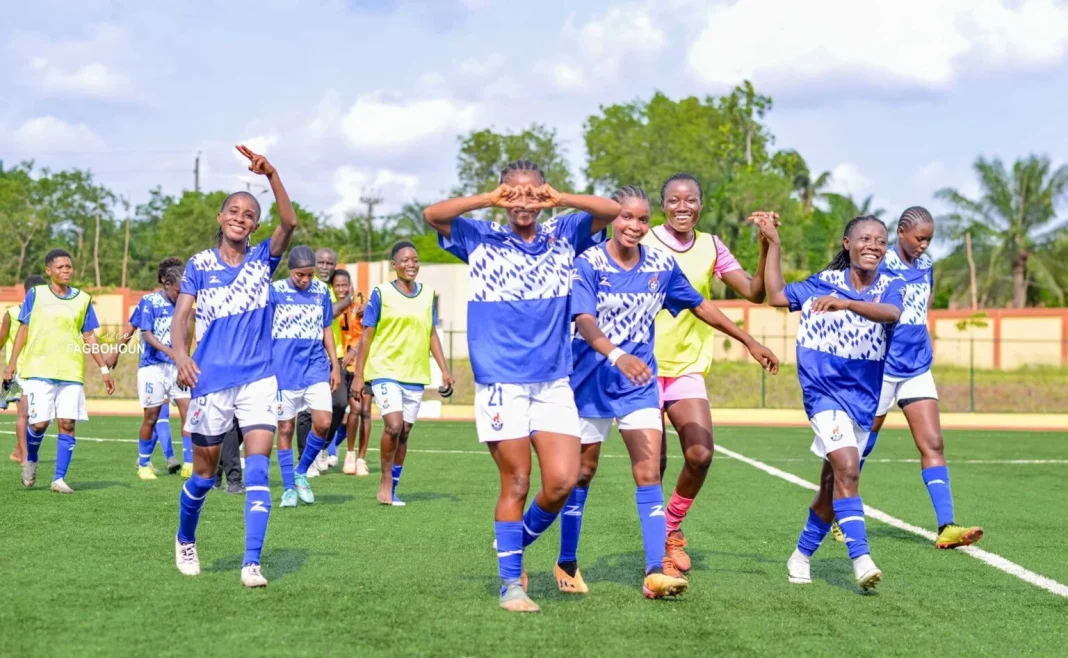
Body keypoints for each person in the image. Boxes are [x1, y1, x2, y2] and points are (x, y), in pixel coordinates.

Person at [562, 186, 779, 598]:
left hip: (647, 378)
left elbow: (704, 303)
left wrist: (749, 340)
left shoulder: (674, 259)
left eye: (640, 220)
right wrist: (615, 354)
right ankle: (566, 560)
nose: (635, 225)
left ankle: (654, 569)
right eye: (627, 217)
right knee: (579, 474)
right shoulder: (589, 261)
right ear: (613, 218)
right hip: (594, 376)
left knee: (658, 469)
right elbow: (584, 320)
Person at [424, 159, 619, 613]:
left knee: (563, 481)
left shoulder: (563, 232)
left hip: (553, 381)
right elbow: (434, 215)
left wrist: (562, 198)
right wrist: (489, 199)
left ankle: (515, 540)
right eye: (513, 193)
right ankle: (512, 583)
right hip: (500, 382)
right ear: (501, 195)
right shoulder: (479, 235)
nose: (523, 201)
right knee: (516, 480)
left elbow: (610, 210)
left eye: (532, 193)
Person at [171, 144, 296, 588]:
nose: (241, 217)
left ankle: (251, 562)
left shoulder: (264, 260)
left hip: (259, 379)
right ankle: (185, 538)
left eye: (249, 214)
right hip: (211, 381)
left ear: (254, 225)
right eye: (234, 211)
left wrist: (272, 174)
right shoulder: (200, 266)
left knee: (259, 466)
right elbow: (181, 316)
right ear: (221, 219)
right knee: (204, 475)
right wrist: (183, 355)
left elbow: (290, 222)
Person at [758, 215, 904, 591]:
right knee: (849, 468)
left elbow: (892, 314)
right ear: (846, 243)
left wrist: (847, 304)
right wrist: (774, 243)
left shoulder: (891, 285)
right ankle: (861, 558)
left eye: (880, 240)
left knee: (831, 486)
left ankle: (801, 555)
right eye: (865, 238)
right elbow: (776, 296)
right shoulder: (822, 284)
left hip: (863, 397)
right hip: (823, 392)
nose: (873, 245)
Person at [640, 172, 774, 573]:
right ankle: (658, 552)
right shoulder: (642, 240)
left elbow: (754, 292)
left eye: (691, 200)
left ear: (701, 204)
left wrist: (765, 247)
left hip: (687, 366)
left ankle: (672, 527)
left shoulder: (711, 246)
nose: (684, 207)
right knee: (655, 464)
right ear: (662, 204)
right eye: (675, 200)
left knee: (699, 455)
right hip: (641, 367)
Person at [851, 207, 981, 549]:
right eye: (919, 238)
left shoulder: (926, 266)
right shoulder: (880, 264)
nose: (924, 245)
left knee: (933, 443)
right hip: (880, 368)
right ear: (901, 233)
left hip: (917, 368)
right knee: (862, 445)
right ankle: (840, 511)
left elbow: (925, 305)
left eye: (929, 239)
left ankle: (947, 527)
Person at [3, 250, 116, 493]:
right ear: (49, 271)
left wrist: (104, 369)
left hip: (71, 372)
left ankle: (59, 479)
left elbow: (89, 336)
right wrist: (11, 364)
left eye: (69, 266)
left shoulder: (83, 299)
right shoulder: (36, 294)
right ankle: (31, 459)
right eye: (60, 267)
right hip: (38, 370)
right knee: (40, 424)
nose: (66, 270)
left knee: (67, 423)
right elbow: (23, 329)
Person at [350, 241, 454, 506]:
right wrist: (359, 375)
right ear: (394, 266)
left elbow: (432, 333)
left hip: (415, 373)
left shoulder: (428, 294)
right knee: (393, 426)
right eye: (405, 260)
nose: (411, 264)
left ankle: (394, 486)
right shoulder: (381, 293)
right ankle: (384, 481)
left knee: (405, 432)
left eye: (415, 260)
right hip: (384, 370)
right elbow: (367, 336)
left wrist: (444, 370)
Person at [270, 246, 340, 508]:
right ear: (291, 271)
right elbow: (264, 332)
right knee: (285, 428)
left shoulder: (321, 291)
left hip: (315, 364)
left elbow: (327, 329)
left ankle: (301, 472)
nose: (305, 280)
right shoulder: (274, 291)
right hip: (283, 368)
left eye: (310, 275)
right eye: (301, 275)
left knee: (323, 422)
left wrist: (334, 365)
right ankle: (289, 487)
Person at [109, 259, 190, 480]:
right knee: (152, 417)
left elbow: (188, 331)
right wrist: (116, 351)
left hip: (177, 367)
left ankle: (189, 463)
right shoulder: (149, 302)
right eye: (177, 291)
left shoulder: (186, 303)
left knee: (189, 413)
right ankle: (144, 462)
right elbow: (139, 331)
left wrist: (185, 359)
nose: (181, 295)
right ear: (166, 283)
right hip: (152, 367)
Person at [1, 274, 48, 464]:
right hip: (18, 371)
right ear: (27, 293)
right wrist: (8, 368)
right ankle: (25, 457)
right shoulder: (11, 314)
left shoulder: (46, 315)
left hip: (40, 370)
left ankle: (17, 450)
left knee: (39, 417)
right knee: (24, 412)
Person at [334, 270, 372, 476]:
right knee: (352, 409)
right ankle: (349, 453)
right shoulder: (330, 302)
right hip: (343, 364)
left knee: (365, 409)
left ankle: (361, 459)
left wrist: (356, 350)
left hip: (363, 364)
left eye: (344, 285)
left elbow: (370, 330)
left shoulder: (361, 301)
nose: (341, 289)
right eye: (337, 286)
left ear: (350, 285)